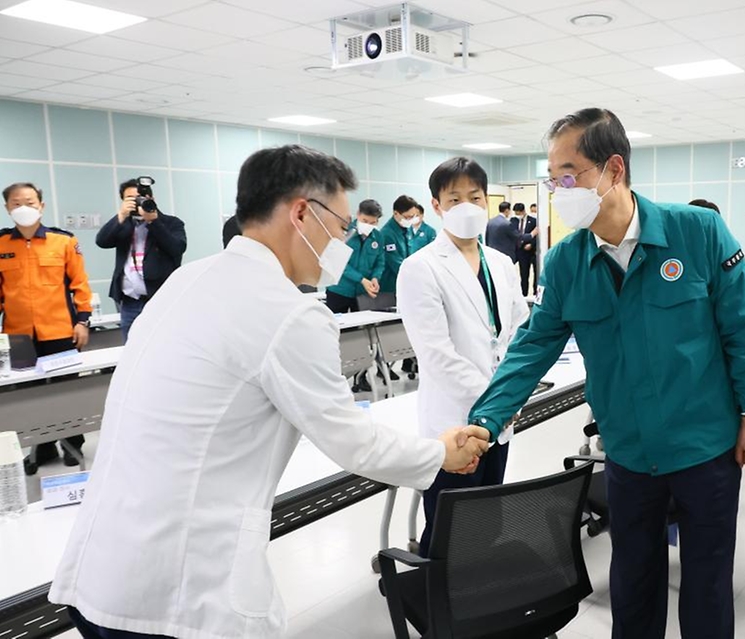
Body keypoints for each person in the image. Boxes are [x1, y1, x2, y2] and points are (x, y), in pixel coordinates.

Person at [48, 145, 490, 639]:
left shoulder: (187, 279)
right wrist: (440, 453)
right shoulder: (288, 311)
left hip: (101, 573)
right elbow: (351, 441)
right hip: (178, 593)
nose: (343, 242)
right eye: (342, 227)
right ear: (302, 213)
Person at [466, 108, 745, 639]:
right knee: (633, 580)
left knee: (706, 582)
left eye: (569, 174)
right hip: (628, 452)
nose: (558, 189)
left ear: (613, 168)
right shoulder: (566, 260)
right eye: (552, 177)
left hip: (705, 447)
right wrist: (487, 419)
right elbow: (532, 346)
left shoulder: (696, 231)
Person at [397, 157, 529, 557]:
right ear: (436, 206)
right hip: (454, 420)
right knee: (450, 523)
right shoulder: (419, 268)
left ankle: (478, 589)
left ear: (487, 200)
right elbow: (436, 354)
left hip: (499, 420)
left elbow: (519, 332)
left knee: (487, 517)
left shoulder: (502, 264)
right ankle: (434, 597)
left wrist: (511, 395)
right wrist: (498, 400)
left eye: (474, 196)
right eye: (454, 198)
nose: (466, 206)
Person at [1, 182, 93, 473]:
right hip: (18, 335)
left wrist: (82, 321)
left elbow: (80, 284)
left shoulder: (63, 241)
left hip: (59, 331)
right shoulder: (1, 244)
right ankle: (41, 447)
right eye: (16, 203)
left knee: (65, 390)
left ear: (41, 205)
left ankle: (72, 442)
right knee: (30, 394)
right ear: (7, 209)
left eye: (29, 201)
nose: (23, 207)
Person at [96, 178, 187, 343]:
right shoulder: (124, 225)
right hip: (129, 303)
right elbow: (102, 241)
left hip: (161, 300)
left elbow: (177, 248)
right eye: (130, 199)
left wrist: (153, 221)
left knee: (164, 346)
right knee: (131, 350)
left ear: (151, 199)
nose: (136, 202)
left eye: (140, 198)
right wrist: (121, 215)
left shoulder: (171, 223)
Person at [324, 198, 384, 313]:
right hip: (339, 290)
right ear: (358, 214)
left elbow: (380, 262)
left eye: (373, 223)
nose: (368, 225)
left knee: (360, 328)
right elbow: (339, 263)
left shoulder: (378, 237)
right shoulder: (343, 232)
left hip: (362, 293)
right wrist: (361, 279)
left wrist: (376, 277)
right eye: (365, 221)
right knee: (337, 326)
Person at [376, 195, 418, 311]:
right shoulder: (386, 234)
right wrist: (418, 275)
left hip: (405, 285)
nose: (410, 220)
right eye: (407, 217)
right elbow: (396, 264)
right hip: (389, 288)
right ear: (396, 214)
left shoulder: (407, 229)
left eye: (413, 216)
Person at [512, 202, 539, 296]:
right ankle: (524, 294)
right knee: (524, 274)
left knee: (536, 273)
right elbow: (514, 235)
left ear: (523, 211)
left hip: (532, 251)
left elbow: (537, 235)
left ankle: (536, 293)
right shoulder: (513, 221)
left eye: (518, 213)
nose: (517, 215)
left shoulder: (533, 221)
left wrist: (531, 244)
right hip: (521, 252)